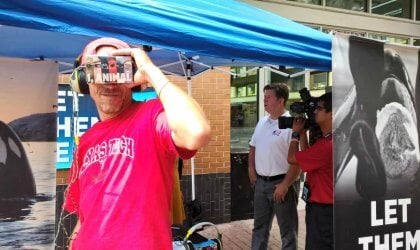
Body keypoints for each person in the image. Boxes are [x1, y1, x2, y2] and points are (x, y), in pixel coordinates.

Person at [63, 37, 211, 250]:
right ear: (84, 80)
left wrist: (150, 70)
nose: (109, 82)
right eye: (99, 69)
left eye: (118, 70)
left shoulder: (152, 115)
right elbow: (84, 218)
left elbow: (196, 132)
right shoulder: (86, 142)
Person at [248, 83, 299, 250]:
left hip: (281, 185)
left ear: (280, 100)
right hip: (261, 185)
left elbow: (298, 160)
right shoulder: (262, 122)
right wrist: (251, 169)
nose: (264, 100)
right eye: (264, 97)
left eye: (268, 97)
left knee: (288, 232)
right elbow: (253, 146)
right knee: (259, 228)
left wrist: (285, 185)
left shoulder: (292, 124)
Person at [287, 92, 333, 250]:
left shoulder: (326, 146)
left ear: (331, 114)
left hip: (323, 211)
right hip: (325, 209)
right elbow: (309, 160)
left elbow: (292, 158)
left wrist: (294, 134)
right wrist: (302, 134)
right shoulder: (329, 140)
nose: (314, 112)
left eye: (319, 108)